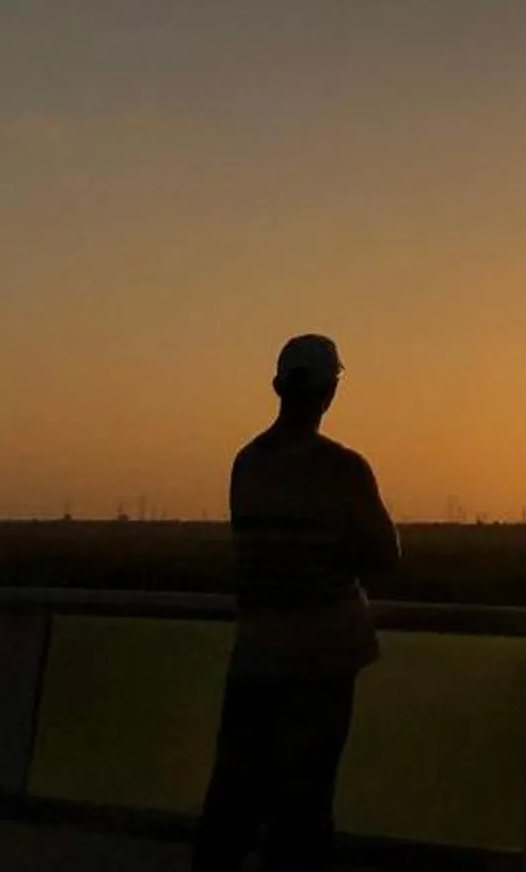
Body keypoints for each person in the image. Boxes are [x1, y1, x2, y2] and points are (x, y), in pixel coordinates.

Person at [193, 333, 400, 871]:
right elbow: (383, 555)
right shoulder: (343, 468)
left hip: (256, 651)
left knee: (234, 798)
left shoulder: (247, 464)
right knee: (305, 803)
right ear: (331, 391)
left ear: (277, 387)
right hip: (323, 654)